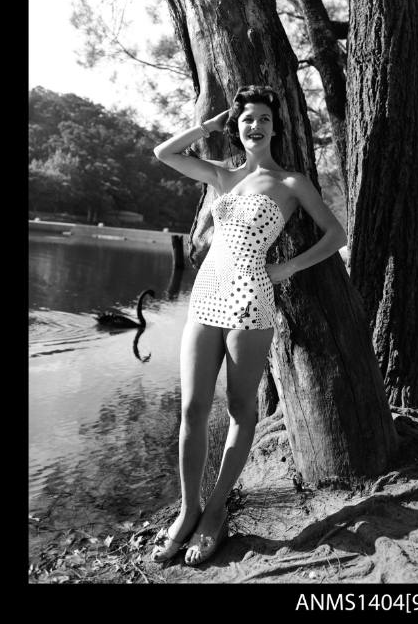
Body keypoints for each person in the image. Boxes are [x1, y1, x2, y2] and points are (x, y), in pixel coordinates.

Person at [152, 85, 347, 566]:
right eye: (246, 120)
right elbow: (163, 152)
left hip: (251, 300)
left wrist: (289, 267)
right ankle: (187, 509)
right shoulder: (221, 176)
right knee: (193, 410)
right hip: (206, 295)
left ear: (276, 127)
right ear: (236, 128)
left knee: (242, 410)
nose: (254, 125)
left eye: (262, 118)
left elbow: (336, 234)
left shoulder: (291, 183)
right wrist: (208, 126)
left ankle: (215, 511)